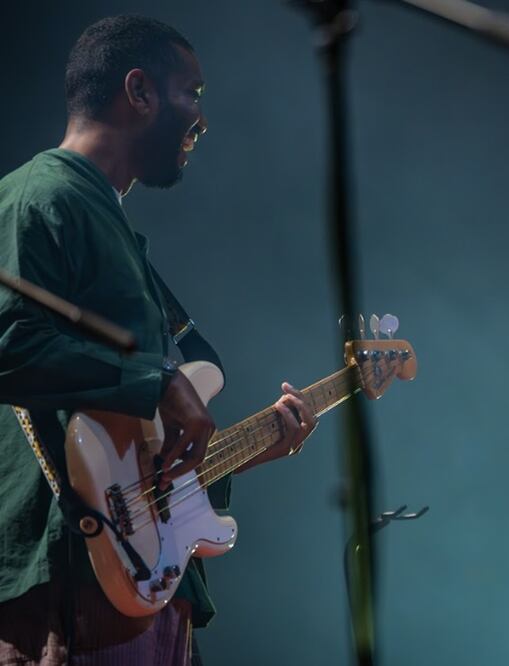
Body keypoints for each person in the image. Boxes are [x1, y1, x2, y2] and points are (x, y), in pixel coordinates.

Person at [0, 16, 316, 665]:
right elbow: (9, 346)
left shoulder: (109, 225)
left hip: (141, 589)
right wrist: (159, 381)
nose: (202, 119)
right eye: (191, 93)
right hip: (71, 583)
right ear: (139, 90)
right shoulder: (41, 196)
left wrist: (238, 452)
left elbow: (125, 446)